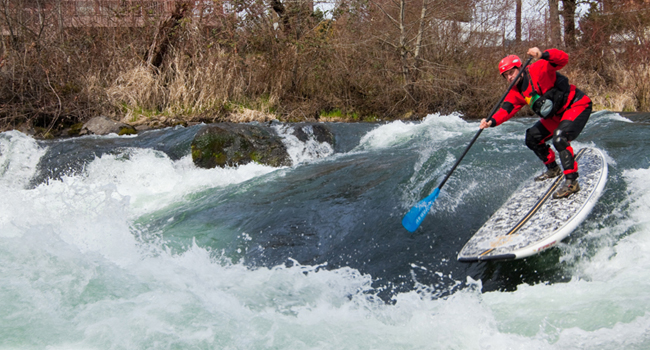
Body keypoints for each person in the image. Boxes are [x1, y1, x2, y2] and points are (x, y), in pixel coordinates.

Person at [479, 47, 592, 199]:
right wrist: (490, 122)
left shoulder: (539, 68)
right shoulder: (515, 92)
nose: (509, 78)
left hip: (576, 105)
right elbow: (506, 110)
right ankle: (553, 169)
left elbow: (563, 58)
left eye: (511, 72)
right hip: (556, 116)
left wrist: (542, 54)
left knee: (560, 138)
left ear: (520, 68)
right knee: (532, 137)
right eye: (506, 76)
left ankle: (572, 182)